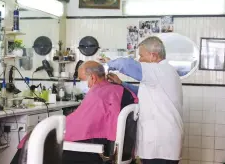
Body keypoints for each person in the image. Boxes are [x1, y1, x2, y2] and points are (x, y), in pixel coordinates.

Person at [100, 36, 183, 164]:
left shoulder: (159, 70)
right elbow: (143, 93)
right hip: (162, 141)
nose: (139, 60)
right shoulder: (162, 73)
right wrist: (121, 83)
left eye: (141, 56)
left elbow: (125, 64)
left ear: (153, 56)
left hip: (160, 142)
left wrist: (105, 66)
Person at [63, 61, 138, 164]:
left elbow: (79, 124)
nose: (83, 83)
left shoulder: (97, 94)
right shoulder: (123, 90)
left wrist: (58, 128)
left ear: (93, 78)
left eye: (82, 79)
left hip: (98, 152)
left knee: (53, 145)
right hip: (122, 151)